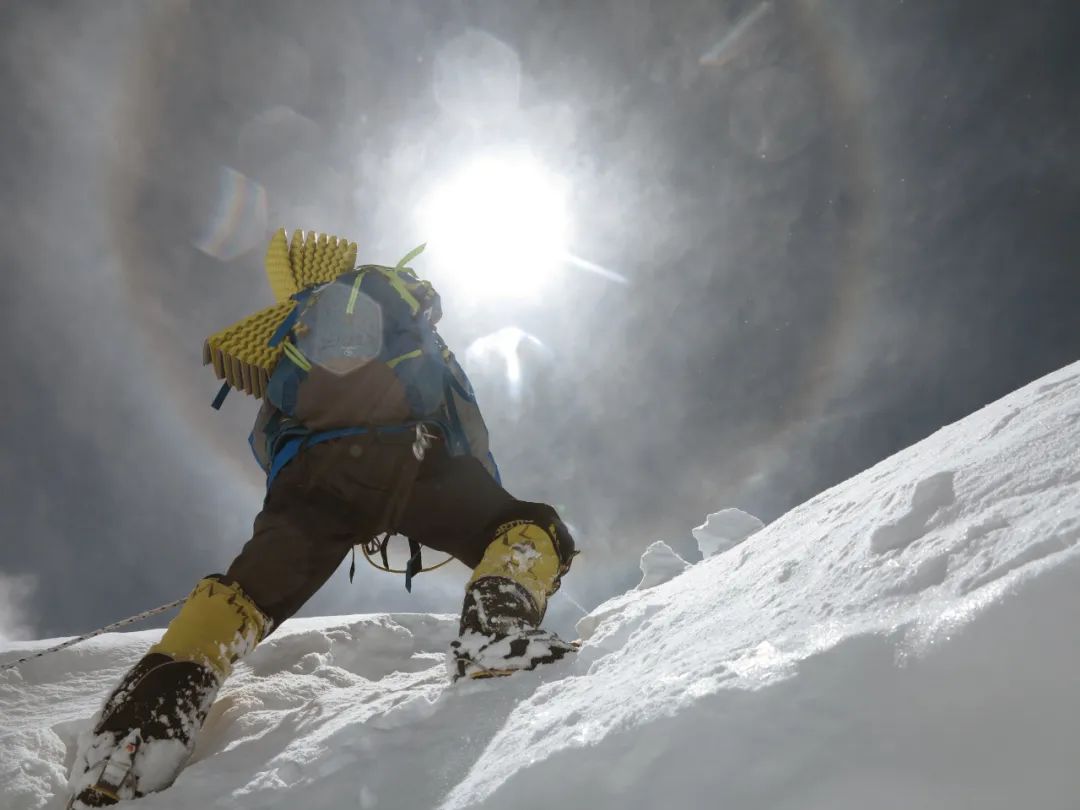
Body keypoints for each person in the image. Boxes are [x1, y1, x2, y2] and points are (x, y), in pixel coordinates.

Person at [67, 229, 578, 808]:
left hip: (307, 474)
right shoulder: (391, 300)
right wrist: (475, 482)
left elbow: (271, 428)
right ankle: (497, 631)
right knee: (529, 527)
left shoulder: (301, 329)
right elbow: (455, 411)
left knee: (247, 597)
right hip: (407, 455)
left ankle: (135, 729)